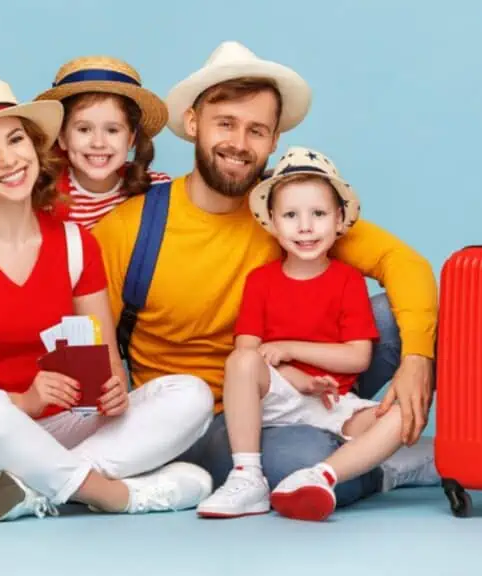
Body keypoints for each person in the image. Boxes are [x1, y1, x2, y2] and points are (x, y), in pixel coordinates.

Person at [91, 41, 439, 511]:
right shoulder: (130, 228)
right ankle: (387, 464)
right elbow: (94, 341)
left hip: (319, 380)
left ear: (274, 140)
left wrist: (417, 359)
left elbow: (404, 262)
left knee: (409, 317)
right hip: (215, 416)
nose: (239, 143)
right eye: (226, 124)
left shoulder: (288, 210)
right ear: (193, 125)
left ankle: (361, 438)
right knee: (300, 461)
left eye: (257, 130)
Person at [0, 77, 214, 523]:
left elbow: (105, 360)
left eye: (16, 140)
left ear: (38, 150)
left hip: (61, 431)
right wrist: (24, 403)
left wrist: (113, 389)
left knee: (190, 394)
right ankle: (114, 495)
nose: (8, 159)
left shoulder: (75, 243)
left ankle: (31, 488)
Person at [195, 145, 411, 518]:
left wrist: (289, 347)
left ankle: (322, 475)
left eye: (319, 214)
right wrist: (295, 376)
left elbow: (358, 356)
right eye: (291, 215)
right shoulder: (261, 281)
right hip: (279, 396)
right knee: (242, 361)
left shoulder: (347, 280)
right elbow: (248, 354)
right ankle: (247, 477)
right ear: (273, 223)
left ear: (339, 218)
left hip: (335, 403)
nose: (306, 227)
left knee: (401, 414)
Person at [0, 55, 172, 252]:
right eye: (83, 129)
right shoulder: (37, 191)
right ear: (61, 135)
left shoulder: (159, 192)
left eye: (113, 130)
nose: (98, 143)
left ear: (131, 138)